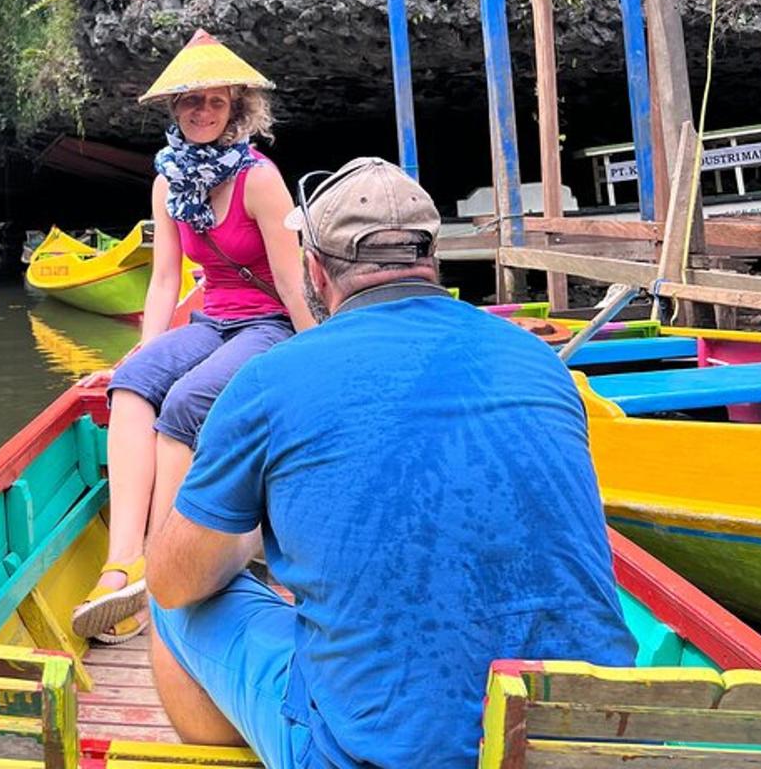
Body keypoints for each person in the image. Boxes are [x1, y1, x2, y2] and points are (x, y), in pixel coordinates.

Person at [145, 158, 637, 767]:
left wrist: (246, 541)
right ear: (431, 260)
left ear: (316, 271)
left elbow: (174, 579)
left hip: (373, 754)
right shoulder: (540, 362)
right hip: (584, 741)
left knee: (168, 601)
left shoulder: (269, 379)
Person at [71, 30, 315, 644]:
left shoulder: (259, 178)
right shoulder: (169, 181)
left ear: (236, 107)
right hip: (212, 317)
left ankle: (160, 566)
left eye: (213, 101)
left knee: (185, 402)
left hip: (270, 322)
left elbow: (292, 283)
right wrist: (144, 351)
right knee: (131, 385)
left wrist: (322, 355)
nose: (200, 112)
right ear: (174, 111)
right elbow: (165, 282)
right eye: (188, 102)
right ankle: (119, 563)